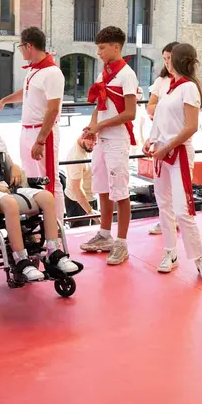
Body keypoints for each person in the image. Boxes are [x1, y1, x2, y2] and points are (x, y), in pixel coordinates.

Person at [0, 85, 80, 281]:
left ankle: (54, 253)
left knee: (46, 196)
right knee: (10, 203)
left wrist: (18, 169)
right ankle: (21, 261)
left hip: (4, 187)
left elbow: (9, 164)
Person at [144, 43, 202, 283]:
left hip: (177, 154)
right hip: (161, 153)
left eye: (169, 58)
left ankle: (200, 260)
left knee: (182, 211)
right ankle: (170, 252)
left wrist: (165, 147)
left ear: (178, 60)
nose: (166, 61)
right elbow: (161, 119)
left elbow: (191, 127)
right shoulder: (169, 87)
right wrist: (151, 140)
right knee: (164, 205)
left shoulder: (188, 89)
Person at [0, 27, 65, 231]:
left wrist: (40, 140)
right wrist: (4, 100)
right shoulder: (34, 70)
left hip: (42, 132)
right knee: (31, 178)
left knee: (49, 179)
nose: (20, 50)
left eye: (21, 46)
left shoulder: (52, 72)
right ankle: (40, 224)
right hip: (28, 130)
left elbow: (53, 109)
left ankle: (57, 226)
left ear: (29, 46)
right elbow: (27, 93)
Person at [78, 26, 138, 265]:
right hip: (102, 140)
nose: (99, 52)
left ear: (116, 47)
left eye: (102, 48)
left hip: (116, 141)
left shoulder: (127, 74)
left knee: (120, 192)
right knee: (102, 186)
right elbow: (99, 108)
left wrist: (100, 126)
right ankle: (104, 234)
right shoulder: (104, 73)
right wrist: (92, 127)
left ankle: (121, 243)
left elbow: (130, 113)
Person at [145, 41, 179, 235]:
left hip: (177, 139)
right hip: (160, 137)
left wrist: (163, 111)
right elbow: (151, 106)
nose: (167, 62)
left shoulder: (187, 85)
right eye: (164, 58)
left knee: (177, 187)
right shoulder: (161, 81)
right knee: (162, 187)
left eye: (170, 58)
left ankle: (175, 219)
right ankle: (165, 220)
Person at [63, 135, 97, 226]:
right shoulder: (76, 157)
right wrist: (89, 211)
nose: (92, 147)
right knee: (81, 234)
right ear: (83, 138)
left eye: (95, 144)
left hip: (90, 196)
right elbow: (77, 188)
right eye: (90, 144)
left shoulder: (86, 145)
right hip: (77, 201)